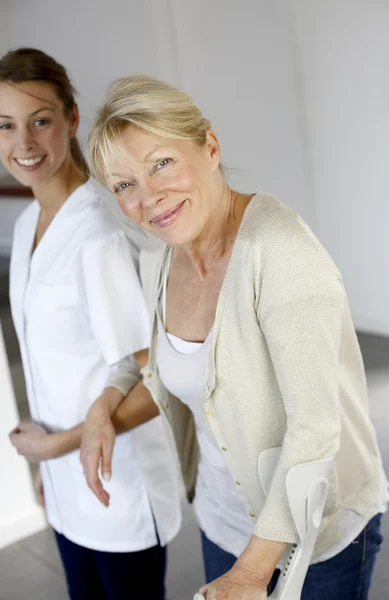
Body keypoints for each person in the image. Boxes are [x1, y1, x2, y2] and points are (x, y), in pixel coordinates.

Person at [81, 74, 389, 600]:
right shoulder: (158, 254)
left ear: (210, 145)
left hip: (314, 532)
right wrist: (105, 402)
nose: (150, 197)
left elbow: (314, 430)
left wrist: (250, 574)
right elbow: (164, 355)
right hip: (222, 517)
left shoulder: (280, 253)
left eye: (161, 163)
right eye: (124, 185)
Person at [1, 50, 181, 600]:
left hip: (116, 490)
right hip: (65, 487)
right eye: (5, 125)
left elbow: (155, 381)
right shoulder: (31, 220)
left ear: (72, 119)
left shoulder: (98, 232)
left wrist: (54, 449)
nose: (24, 144)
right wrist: (49, 468)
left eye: (40, 121)